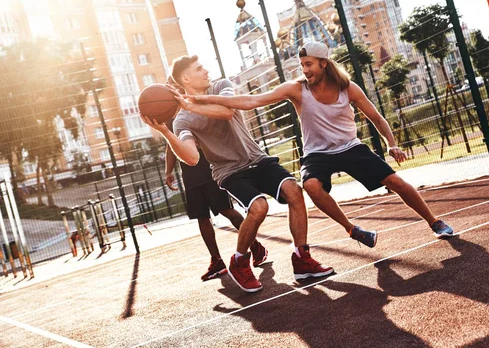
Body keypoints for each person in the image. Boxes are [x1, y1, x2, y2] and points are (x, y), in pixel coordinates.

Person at [185, 41, 454, 245]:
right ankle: (352, 229)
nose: (305, 70)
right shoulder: (296, 89)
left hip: (350, 147)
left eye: (309, 65)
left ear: (324, 64)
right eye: (302, 66)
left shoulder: (348, 89)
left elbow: (376, 118)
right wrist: (203, 100)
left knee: (395, 182)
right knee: (310, 185)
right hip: (317, 154)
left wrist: (391, 144)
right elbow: (251, 101)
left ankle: (434, 221)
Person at [142, 55, 333, 293]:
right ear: (186, 78)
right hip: (230, 170)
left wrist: (191, 103)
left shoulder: (221, 86)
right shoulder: (183, 120)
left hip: (257, 158)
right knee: (259, 207)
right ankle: (240, 261)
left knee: (294, 191)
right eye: (199, 69)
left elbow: (227, 111)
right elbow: (191, 157)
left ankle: (302, 259)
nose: (206, 71)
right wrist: (165, 133)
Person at [164, 118, 268, 282]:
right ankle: (217, 261)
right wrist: (168, 171)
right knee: (202, 217)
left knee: (227, 210)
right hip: (191, 177)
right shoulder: (169, 118)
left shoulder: (191, 110)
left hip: (211, 169)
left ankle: (255, 246)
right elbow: (170, 145)